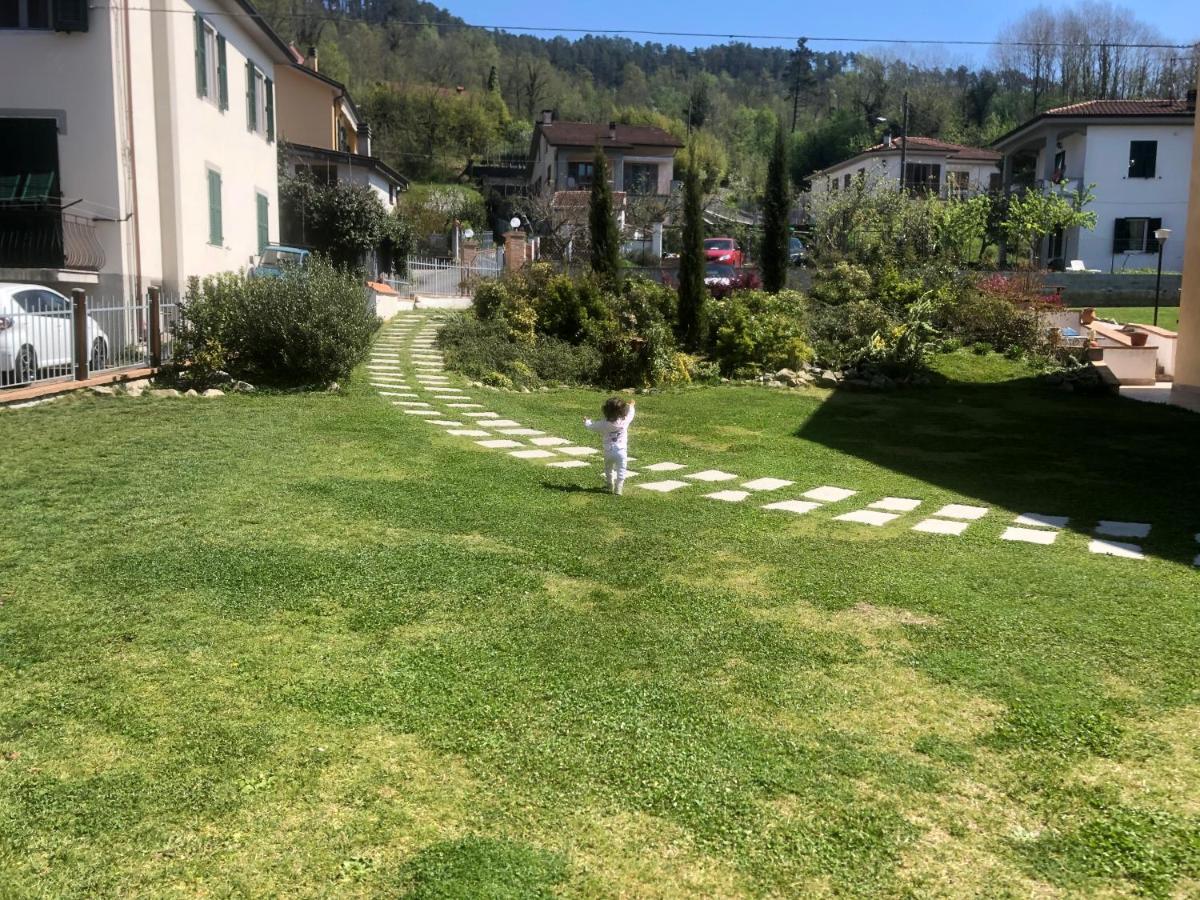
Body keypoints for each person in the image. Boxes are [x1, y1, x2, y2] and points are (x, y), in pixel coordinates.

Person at [584, 397, 636, 495]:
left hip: (608, 451)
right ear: (622, 411)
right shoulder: (624, 421)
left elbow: (591, 426)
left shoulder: (603, 424)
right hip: (621, 451)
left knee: (608, 468)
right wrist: (631, 406)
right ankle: (618, 489)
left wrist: (587, 421)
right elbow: (631, 414)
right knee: (621, 469)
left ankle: (609, 484)